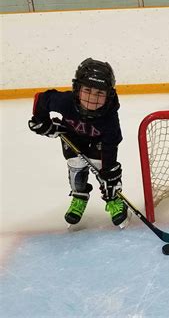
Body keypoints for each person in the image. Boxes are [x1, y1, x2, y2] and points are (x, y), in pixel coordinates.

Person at [28, 58, 129, 226]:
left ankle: (113, 199)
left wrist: (108, 170)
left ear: (108, 95)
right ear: (77, 89)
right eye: (87, 90)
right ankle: (79, 197)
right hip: (72, 136)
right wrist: (42, 121)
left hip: (98, 143)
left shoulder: (110, 118)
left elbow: (110, 145)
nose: (92, 98)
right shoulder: (65, 101)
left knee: (105, 170)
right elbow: (42, 99)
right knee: (75, 166)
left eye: (99, 93)